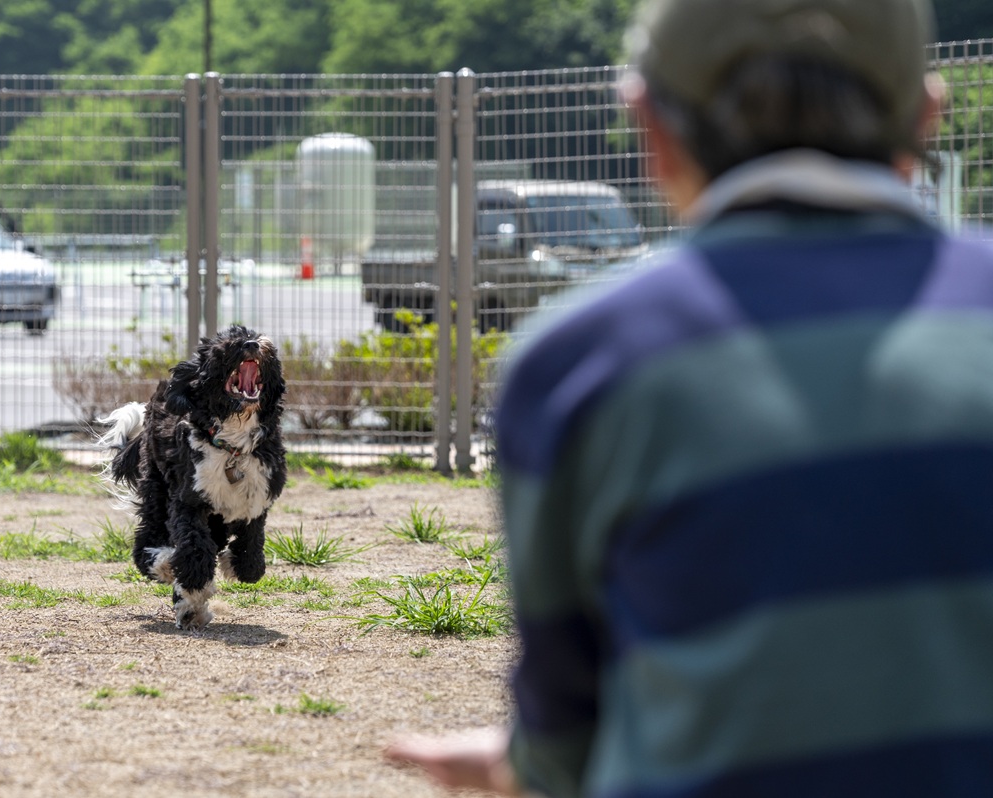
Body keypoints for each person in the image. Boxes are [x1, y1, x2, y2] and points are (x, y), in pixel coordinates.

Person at [386, 0, 993, 795]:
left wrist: (522, 762)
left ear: (650, 128)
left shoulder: (579, 362)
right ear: (926, 114)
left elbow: (567, 731)